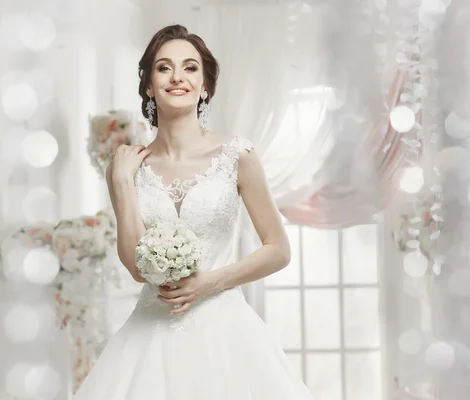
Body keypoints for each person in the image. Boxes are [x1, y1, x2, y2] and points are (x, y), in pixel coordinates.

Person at [74, 24, 313, 399]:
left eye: (190, 68)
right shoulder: (125, 166)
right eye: (164, 67)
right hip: (150, 331)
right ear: (150, 86)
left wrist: (209, 283)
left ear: (205, 87)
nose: (177, 77)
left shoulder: (238, 156)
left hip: (226, 332)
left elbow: (278, 249)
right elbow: (137, 271)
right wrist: (121, 182)